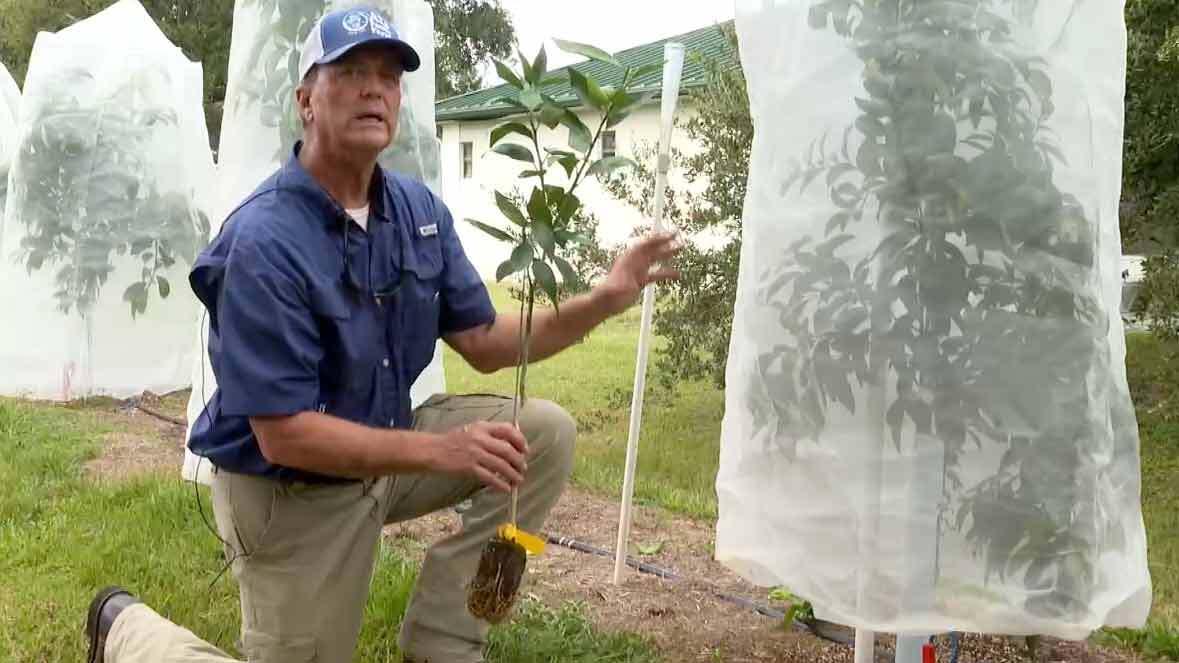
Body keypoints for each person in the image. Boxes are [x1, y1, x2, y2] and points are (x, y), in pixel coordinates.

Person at [83, 6, 681, 663]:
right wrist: (441, 451)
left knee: (542, 432)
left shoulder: (416, 212)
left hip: (382, 452)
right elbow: (284, 434)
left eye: (390, 77)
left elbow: (484, 340)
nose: (376, 89)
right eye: (351, 72)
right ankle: (129, 631)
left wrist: (603, 299)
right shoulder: (263, 242)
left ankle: (445, 639)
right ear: (306, 100)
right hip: (291, 488)